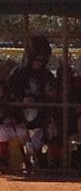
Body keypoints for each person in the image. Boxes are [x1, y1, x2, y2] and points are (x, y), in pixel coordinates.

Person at [3, 38, 59, 171]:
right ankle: (14, 161)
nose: (38, 62)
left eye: (41, 60)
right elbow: (10, 93)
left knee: (43, 138)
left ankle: (43, 161)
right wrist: (22, 101)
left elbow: (53, 96)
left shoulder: (47, 75)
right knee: (12, 136)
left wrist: (46, 98)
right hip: (19, 119)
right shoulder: (19, 73)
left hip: (41, 119)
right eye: (36, 59)